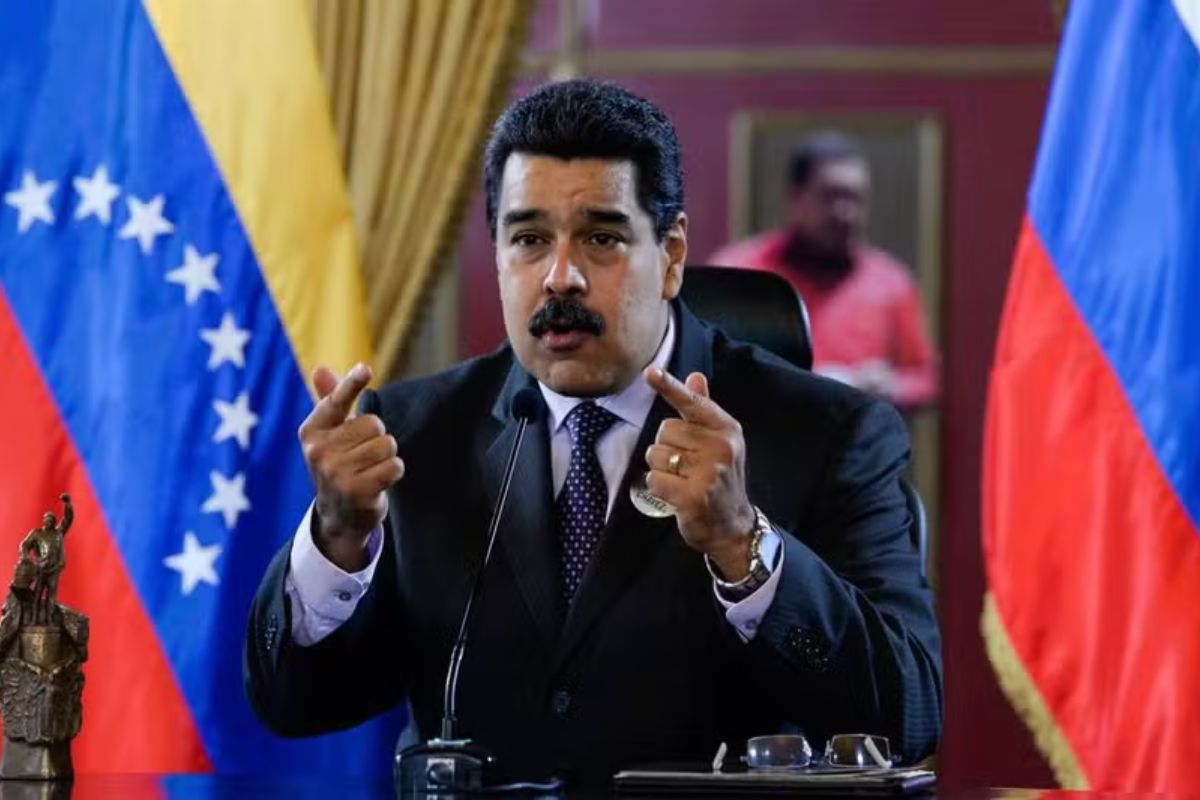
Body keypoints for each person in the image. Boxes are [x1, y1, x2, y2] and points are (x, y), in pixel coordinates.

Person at [244, 80, 941, 784]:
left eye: (601, 238)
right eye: (529, 239)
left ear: (670, 256)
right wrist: (335, 541)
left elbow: (907, 716)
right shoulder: (413, 435)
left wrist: (743, 544)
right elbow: (294, 704)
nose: (561, 277)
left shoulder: (830, 433)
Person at [709, 132, 938, 410]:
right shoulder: (738, 270)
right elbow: (702, 363)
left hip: (857, 446)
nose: (844, 212)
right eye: (830, 196)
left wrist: (890, 386)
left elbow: (925, 378)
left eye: (856, 198)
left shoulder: (891, 282)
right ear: (796, 197)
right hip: (759, 444)